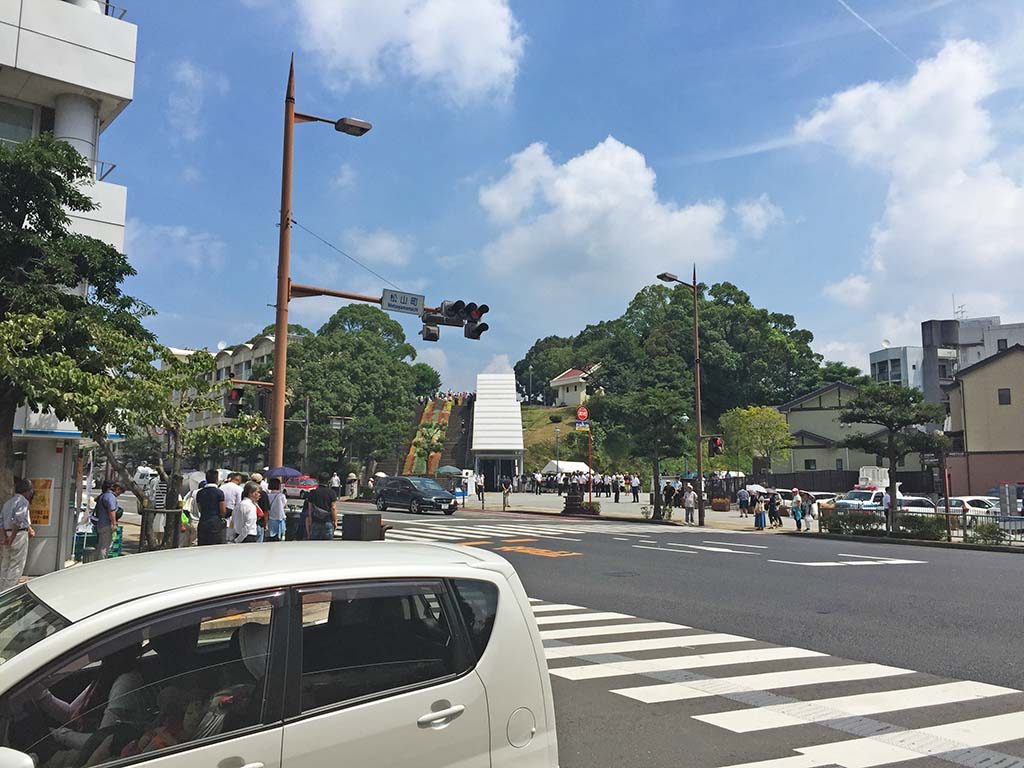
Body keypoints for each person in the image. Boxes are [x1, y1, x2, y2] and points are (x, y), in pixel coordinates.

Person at [1, 478, 35, 590]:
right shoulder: (23, 502)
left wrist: (6, 537)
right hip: (18, 534)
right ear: (28, 490)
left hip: (7, 532)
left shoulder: (8, 503)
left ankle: (2, 588)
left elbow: (1, 521)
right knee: (16, 564)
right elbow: (18, 520)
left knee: (6, 562)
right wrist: (12, 537)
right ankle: (9, 590)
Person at [195, 469, 227, 545]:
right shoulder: (219, 492)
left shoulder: (200, 492)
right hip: (215, 522)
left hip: (203, 521)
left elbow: (200, 509)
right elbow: (222, 511)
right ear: (217, 479)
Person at [304, 472, 337, 540]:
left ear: (318, 481)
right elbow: (333, 508)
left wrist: (310, 521)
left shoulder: (313, 492)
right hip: (327, 521)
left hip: (316, 522)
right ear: (328, 481)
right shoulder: (332, 493)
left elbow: (310, 509)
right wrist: (335, 521)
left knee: (315, 545)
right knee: (327, 546)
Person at [93, 482, 120, 559]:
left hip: (100, 524)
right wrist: (114, 524)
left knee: (101, 544)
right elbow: (112, 510)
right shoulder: (110, 497)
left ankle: (96, 562)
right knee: (105, 546)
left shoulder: (102, 496)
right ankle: (101, 562)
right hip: (107, 524)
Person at [250, 473, 270, 543]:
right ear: (260, 481)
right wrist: (266, 524)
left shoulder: (245, 492)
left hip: (248, 524)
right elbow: (266, 510)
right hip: (259, 523)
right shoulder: (263, 493)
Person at [267, 478, 287, 542]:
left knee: (271, 536)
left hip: (271, 517)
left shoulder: (268, 495)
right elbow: (284, 504)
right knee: (280, 535)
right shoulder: (281, 495)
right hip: (280, 517)